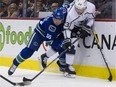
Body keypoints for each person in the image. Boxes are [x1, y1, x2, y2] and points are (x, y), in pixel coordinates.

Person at [8, 7, 67, 75]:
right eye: (55, 19)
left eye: (59, 20)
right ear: (53, 17)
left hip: (52, 34)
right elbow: (48, 40)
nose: (57, 21)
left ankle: (63, 67)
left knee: (62, 46)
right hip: (39, 33)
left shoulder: (64, 14)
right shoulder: (49, 24)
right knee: (29, 51)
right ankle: (15, 64)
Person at [62, 0, 96, 77]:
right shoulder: (70, 13)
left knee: (72, 44)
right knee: (71, 45)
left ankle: (66, 65)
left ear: (85, 7)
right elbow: (67, 28)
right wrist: (67, 40)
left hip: (82, 24)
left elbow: (91, 19)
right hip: (72, 26)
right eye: (77, 9)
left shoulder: (91, 7)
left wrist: (87, 26)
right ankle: (68, 66)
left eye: (81, 9)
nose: (79, 11)